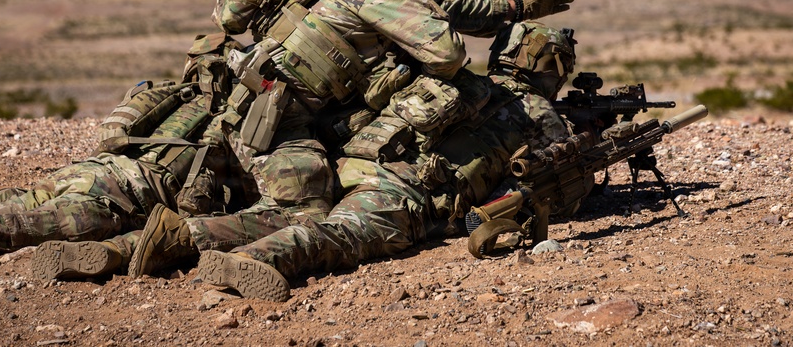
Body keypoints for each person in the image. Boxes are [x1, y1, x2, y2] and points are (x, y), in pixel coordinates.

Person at [34, 23, 580, 300]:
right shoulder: (539, 114)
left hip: (345, 164)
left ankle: (126, 248)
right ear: (556, 68)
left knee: (292, 211)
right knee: (339, 235)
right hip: (399, 189)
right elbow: (565, 191)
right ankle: (263, 260)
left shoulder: (457, 80)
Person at [0, 84, 242, 271]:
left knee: (4, 213)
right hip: (106, 199)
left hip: (83, 171)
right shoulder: (228, 134)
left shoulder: (188, 98)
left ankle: (12, 201)